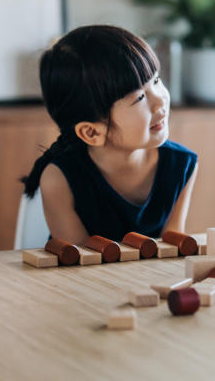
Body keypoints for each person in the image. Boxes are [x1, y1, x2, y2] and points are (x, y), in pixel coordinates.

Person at [21, 25, 198, 244]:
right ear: (91, 131)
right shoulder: (59, 179)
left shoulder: (181, 165)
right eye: (140, 98)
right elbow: (77, 266)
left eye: (156, 81)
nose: (160, 100)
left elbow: (172, 249)